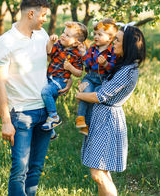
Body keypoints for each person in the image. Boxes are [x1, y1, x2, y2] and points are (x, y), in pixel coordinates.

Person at [0, 0, 72, 196]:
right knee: (20, 170)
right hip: (21, 114)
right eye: (43, 15)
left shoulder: (42, 35)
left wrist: (68, 78)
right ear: (30, 13)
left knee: (35, 169)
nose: (45, 19)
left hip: (44, 112)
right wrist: (5, 121)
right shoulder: (6, 42)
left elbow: (53, 64)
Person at [75, 25, 146, 196]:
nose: (113, 42)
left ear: (128, 45)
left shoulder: (128, 71)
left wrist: (80, 95)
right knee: (102, 172)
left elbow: (101, 96)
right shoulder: (122, 65)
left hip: (107, 121)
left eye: (118, 40)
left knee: (98, 173)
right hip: (101, 117)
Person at [41, 21, 88, 131]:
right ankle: (50, 129)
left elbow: (79, 73)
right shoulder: (58, 45)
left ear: (76, 43)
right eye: (63, 32)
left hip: (60, 81)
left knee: (45, 92)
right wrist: (51, 42)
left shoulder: (77, 54)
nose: (62, 35)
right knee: (45, 105)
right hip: (50, 78)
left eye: (67, 35)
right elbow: (48, 52)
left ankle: (54, 117)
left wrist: (70, 68)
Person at [76, 19, 118, 136]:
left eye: (100, 34)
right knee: (86, 92)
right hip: (90, 77)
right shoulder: (93, 49)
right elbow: (87, 64)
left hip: (101, 80)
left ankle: (87, 125)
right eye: (95, 34)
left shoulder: (112, 52)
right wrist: (84, 54)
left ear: (110, 38)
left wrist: (105, 64)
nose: (96, 36)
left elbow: (112, 69)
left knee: (92, 97)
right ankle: (80, 117)